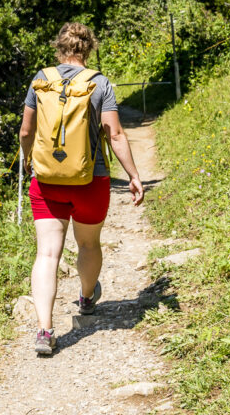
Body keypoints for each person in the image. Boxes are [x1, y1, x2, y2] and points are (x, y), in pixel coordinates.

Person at [19, 22, 144, 355]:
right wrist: (133, 174)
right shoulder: (99, 83)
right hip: (91, 180)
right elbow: (114, 134)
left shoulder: (40, 80)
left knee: (46, 253)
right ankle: (87, 299)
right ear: (88, 48)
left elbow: (25, 131)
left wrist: (30, 161)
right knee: (88, 244)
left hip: (45, 181)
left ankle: (44, 331)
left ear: (59, 47)